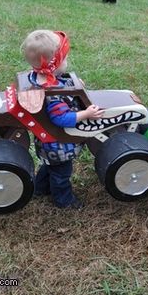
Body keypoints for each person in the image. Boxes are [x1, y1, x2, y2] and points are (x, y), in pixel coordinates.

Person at [21, 30, 104, 209]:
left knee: (49, 166)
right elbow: (61, 118)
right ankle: (64, 200)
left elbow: (58, 82)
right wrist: (86, 114)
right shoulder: (54, 95)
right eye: (64, 59)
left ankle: (39, 188)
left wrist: (74, 85)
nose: (67, 62)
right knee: (61, 173)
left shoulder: (37, 78)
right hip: (58, 144)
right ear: (53, 65)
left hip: (47, 144)